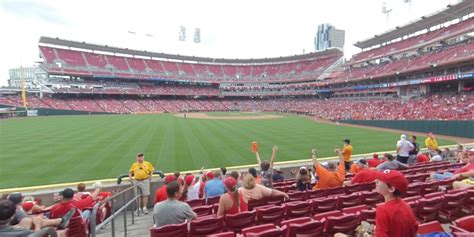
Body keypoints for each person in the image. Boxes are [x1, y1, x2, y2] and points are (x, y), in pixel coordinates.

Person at [374, 169, 418, 237]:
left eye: (380, 180)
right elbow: (415, 227)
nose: (375, 181)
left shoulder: (383, 210)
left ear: (391, 189)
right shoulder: (405, 205)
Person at [0, 200, 73, 237]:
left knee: (27, 220)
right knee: (61, 233)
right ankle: (60, 221)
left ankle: (60, 221)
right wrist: (38, 225)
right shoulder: (22, 232)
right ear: (12, 216)